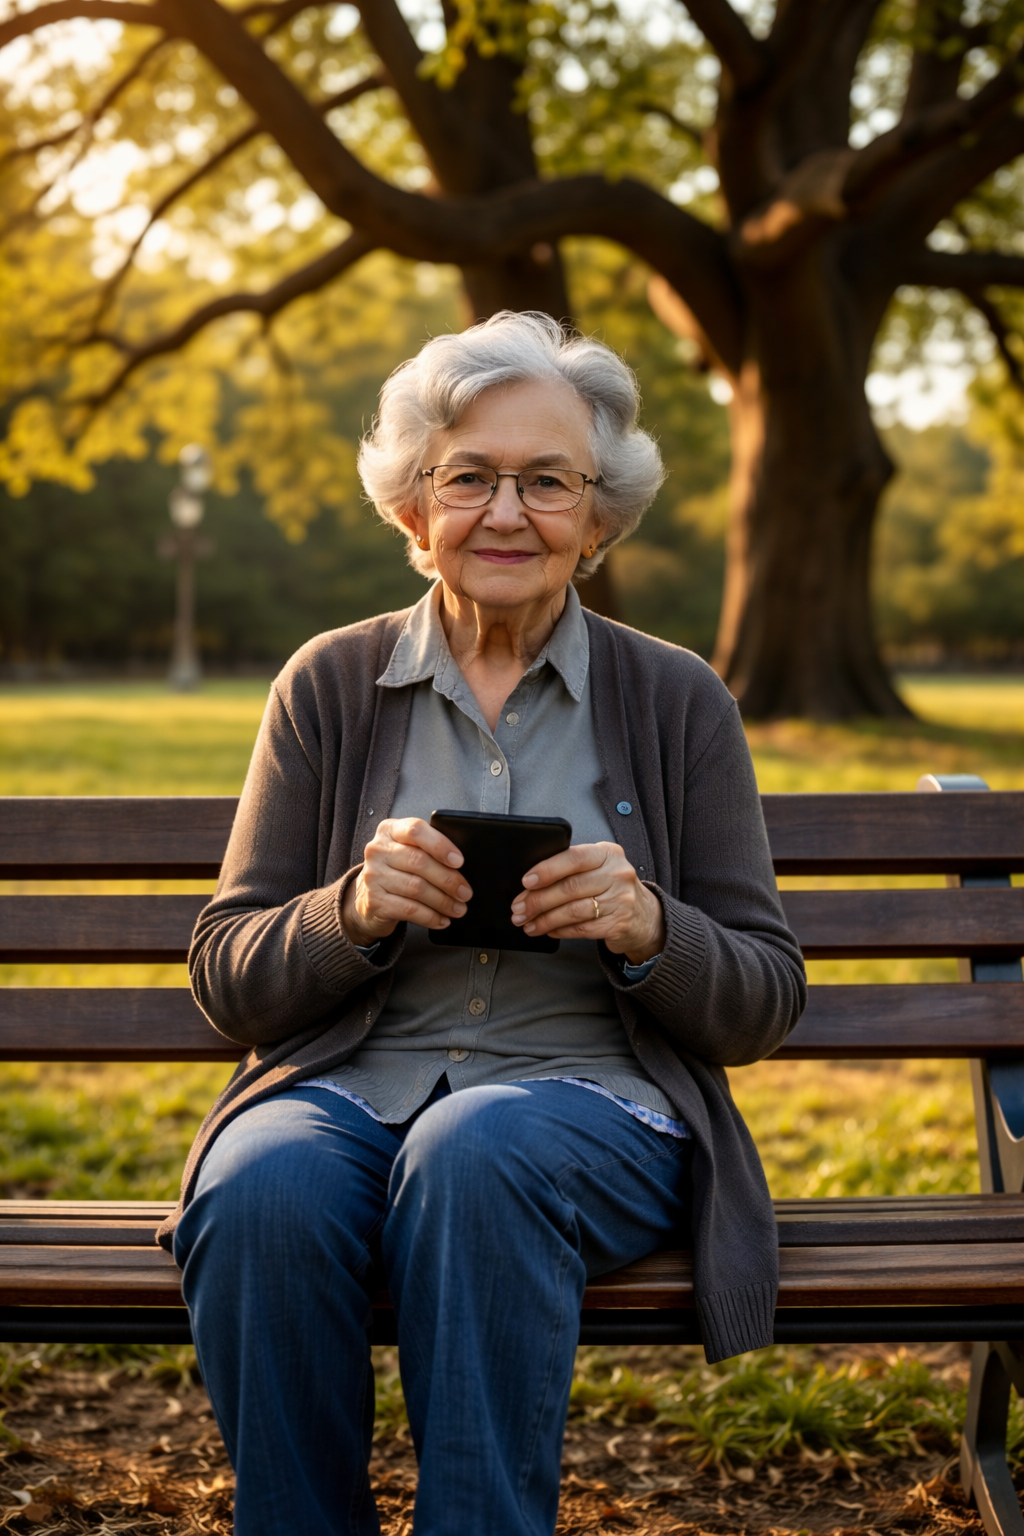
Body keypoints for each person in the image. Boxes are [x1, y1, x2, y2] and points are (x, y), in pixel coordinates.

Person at [161, 311, 806, 1536]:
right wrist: (350, 911)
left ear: (598, 518)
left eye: (547, 481)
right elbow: (227, 979)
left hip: (594, 1108)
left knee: (474, 1150)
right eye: (468, 476)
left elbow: (764, 995)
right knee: (261, 1184)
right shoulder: (329, 684)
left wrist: (644, 925)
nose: (505, 513)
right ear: (413, 509)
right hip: (348, 1089)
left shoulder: (677, 699)